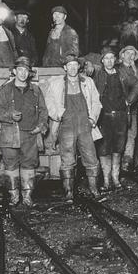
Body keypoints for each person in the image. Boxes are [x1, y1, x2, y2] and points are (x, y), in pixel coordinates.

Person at [43, 54, 102, 201]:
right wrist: (56, 114)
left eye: (75, 65)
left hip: (85, 125)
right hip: (67, 125)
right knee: (67, 159)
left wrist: (92, 118)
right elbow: (48, 101)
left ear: (79, 67)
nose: (73, 68)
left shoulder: (87, 82)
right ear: (65, 68)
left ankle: (94, 189)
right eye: (69, 65)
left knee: (91, 157)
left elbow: (96, 101)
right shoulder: (56, 83)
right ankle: (68, 191)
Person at [0, 56, 48, 207]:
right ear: (15, 71)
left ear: (29, 73)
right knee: (11, 166)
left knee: (29, 165)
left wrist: (41, 126)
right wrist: (9, 115)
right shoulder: (5, 90)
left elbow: (43, 111)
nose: (23, 73)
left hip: (30, 134)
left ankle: (27, 196)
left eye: (26, 70)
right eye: (20, 70)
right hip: (10, 135)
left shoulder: (35, 90)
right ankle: (14, 196)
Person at [94, 46, 138, 192]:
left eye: (111, 58)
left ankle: (115, 178)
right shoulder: (99, 76)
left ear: (115, 60)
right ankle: (107, 180)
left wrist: (129, 100)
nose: (109, 61)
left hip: (120, 117)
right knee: (104, 149)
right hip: (104, 118)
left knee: (118, 148)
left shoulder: (121, 74)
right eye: (106, 58)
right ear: (102, 61)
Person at [117, 45, 138, 172]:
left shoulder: (136, 71)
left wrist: (134, 69)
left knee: (132, 134)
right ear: (122, 55)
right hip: (119, 107)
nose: (130, 56)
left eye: (133, 54)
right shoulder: (117, 69)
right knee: (119, 134)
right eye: (128, 53)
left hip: (132, 108)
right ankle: (117, 161)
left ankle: (127, 162)